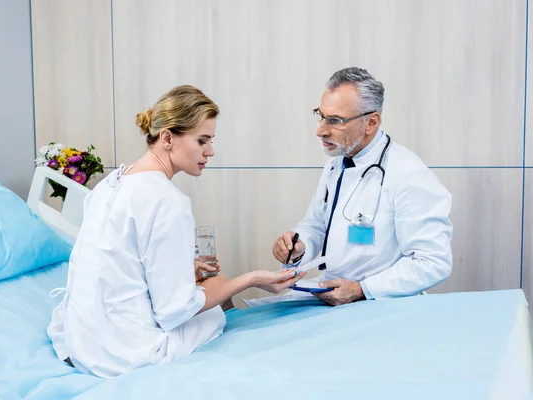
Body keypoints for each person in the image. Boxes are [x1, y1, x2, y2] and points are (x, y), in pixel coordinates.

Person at [47, 85, 304, 378]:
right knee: (216, 308)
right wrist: (252, 279)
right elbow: (173, 311)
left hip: (79, 340)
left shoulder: (111, 183)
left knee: (206, 281)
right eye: (202, 141)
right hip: (121, 354)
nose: (211, 151)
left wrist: (182, 267)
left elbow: (118, 259)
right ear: (167, 137)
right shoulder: (168, 201)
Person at [272, 67, 453, 306]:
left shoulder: (408, 173)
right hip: (332, 298)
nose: (320, 130)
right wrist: (299, 245)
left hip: (382, 305)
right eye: (321, 116)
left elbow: (433, 262)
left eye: (335, 120)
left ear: (371, 122)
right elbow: (316, 226)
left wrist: (362, 289)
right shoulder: (336, 164)